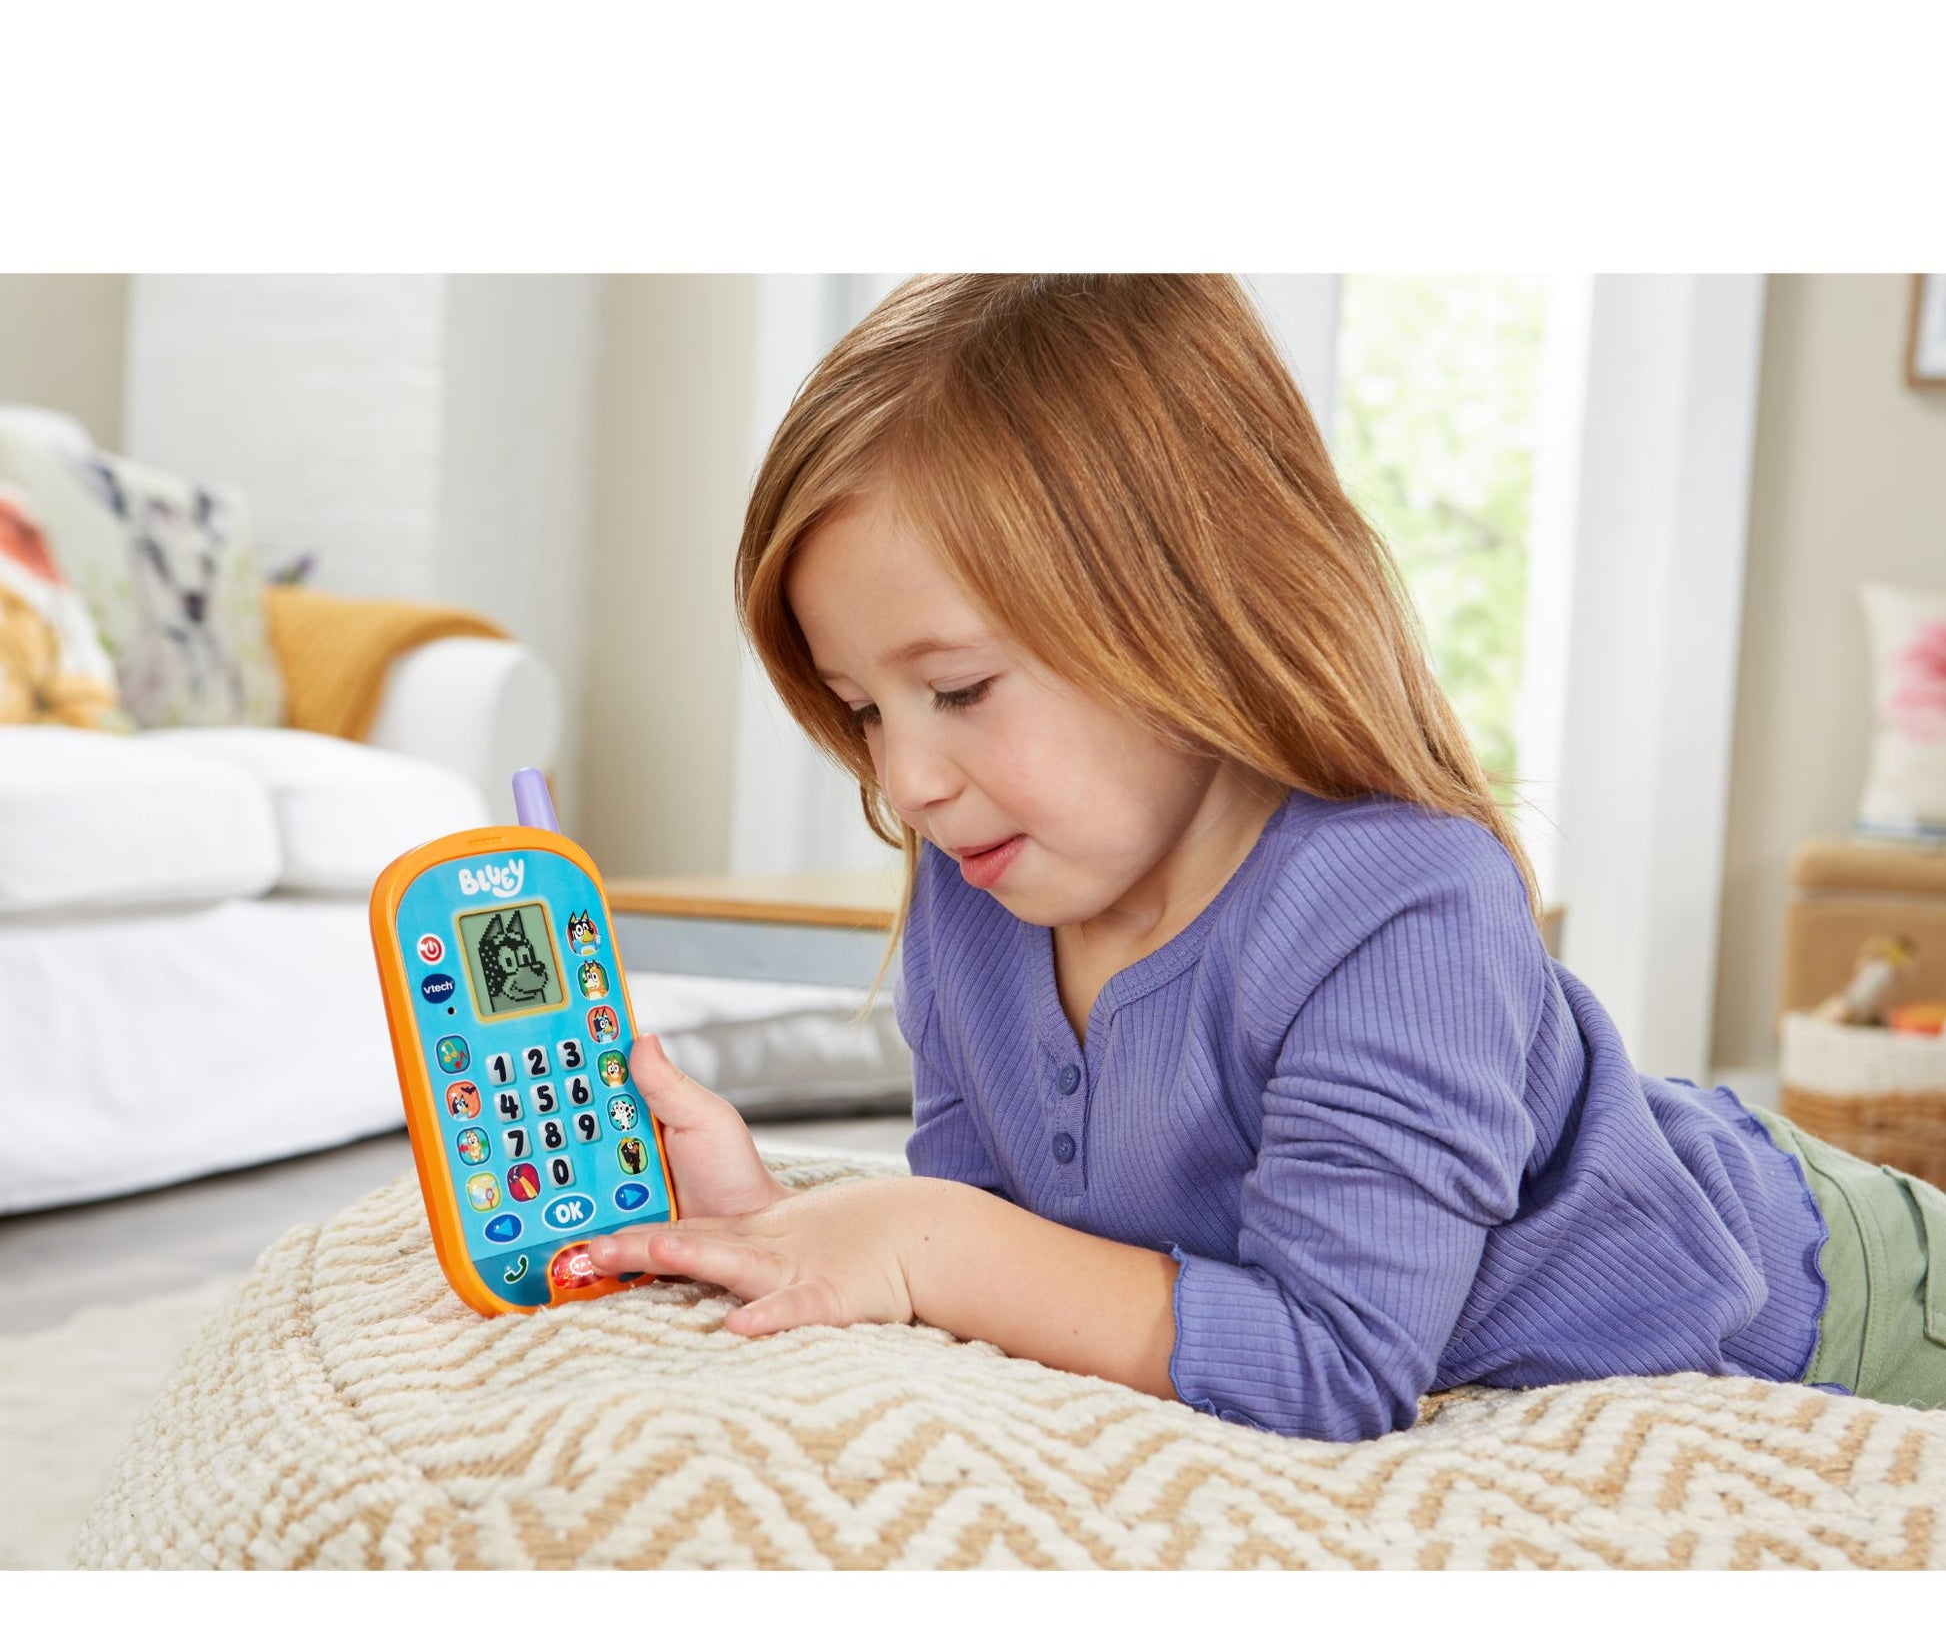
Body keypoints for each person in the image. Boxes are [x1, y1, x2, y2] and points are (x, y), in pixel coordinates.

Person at [589, 274, 1946, 1441]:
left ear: (1190, 604)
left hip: (1842, 1291)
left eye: (957, 688)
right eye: (864, 710)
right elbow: (999, 1251)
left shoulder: (1402, 904)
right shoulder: (979, 879)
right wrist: (791, 1230)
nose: (906, 782)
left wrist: (916, 1236)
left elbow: (1336, 1362)